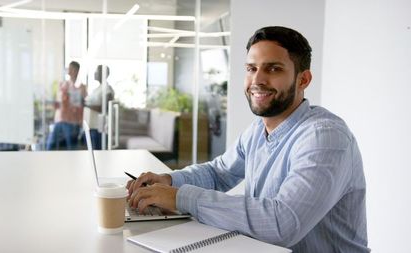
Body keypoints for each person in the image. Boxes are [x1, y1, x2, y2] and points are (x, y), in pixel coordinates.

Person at [127, 26, 369, 252]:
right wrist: (169, 180)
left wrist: (180, 197)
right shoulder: (258, 129)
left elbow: (282, 224)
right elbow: (218, 173)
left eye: (273, 69)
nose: (257, 80)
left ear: (303, 80)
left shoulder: (324, 137)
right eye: (252, 68)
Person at [46, 61, 87, 150]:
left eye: (71, 68)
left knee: (71, 147)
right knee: (51, 145)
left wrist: (80, 122)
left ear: (76, 71)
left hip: (72, 122)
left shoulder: (81, 87)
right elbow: (58, 102)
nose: (68, 70)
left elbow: (81, 105)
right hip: (59, 119)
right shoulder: (63, 84)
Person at [84, 65, 115, 150]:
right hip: (92, 126)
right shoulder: (98, 89)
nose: (94, 73)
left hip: (100, 128)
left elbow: (104, 108)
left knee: (99, 153)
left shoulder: (107, 89)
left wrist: (86, 105)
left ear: (103, 74)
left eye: (96, 71)